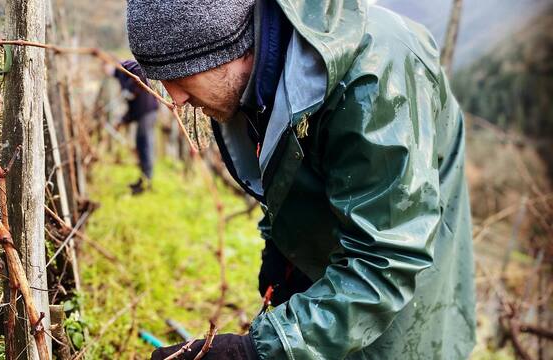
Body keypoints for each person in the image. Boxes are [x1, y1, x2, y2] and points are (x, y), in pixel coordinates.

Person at [127, 0, 476, 359]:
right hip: (339, 274)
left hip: (402, 299)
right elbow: (290, 170)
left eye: (180, 76)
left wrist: (256, 352)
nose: (175, 99)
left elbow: (387, 257)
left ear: (227, 49)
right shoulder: (259, 74)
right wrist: (282, 250)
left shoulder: (375, 78)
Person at [112, 60, 159, 195]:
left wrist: (131, 89)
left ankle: (146, 183)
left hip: (147, 112)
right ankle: (143, 179)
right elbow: (132, 106)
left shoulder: (124, 68)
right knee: (141, 145)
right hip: (144, 113)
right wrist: (123, 119)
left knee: (144, 146)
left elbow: (140, 72)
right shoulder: (120, 74)